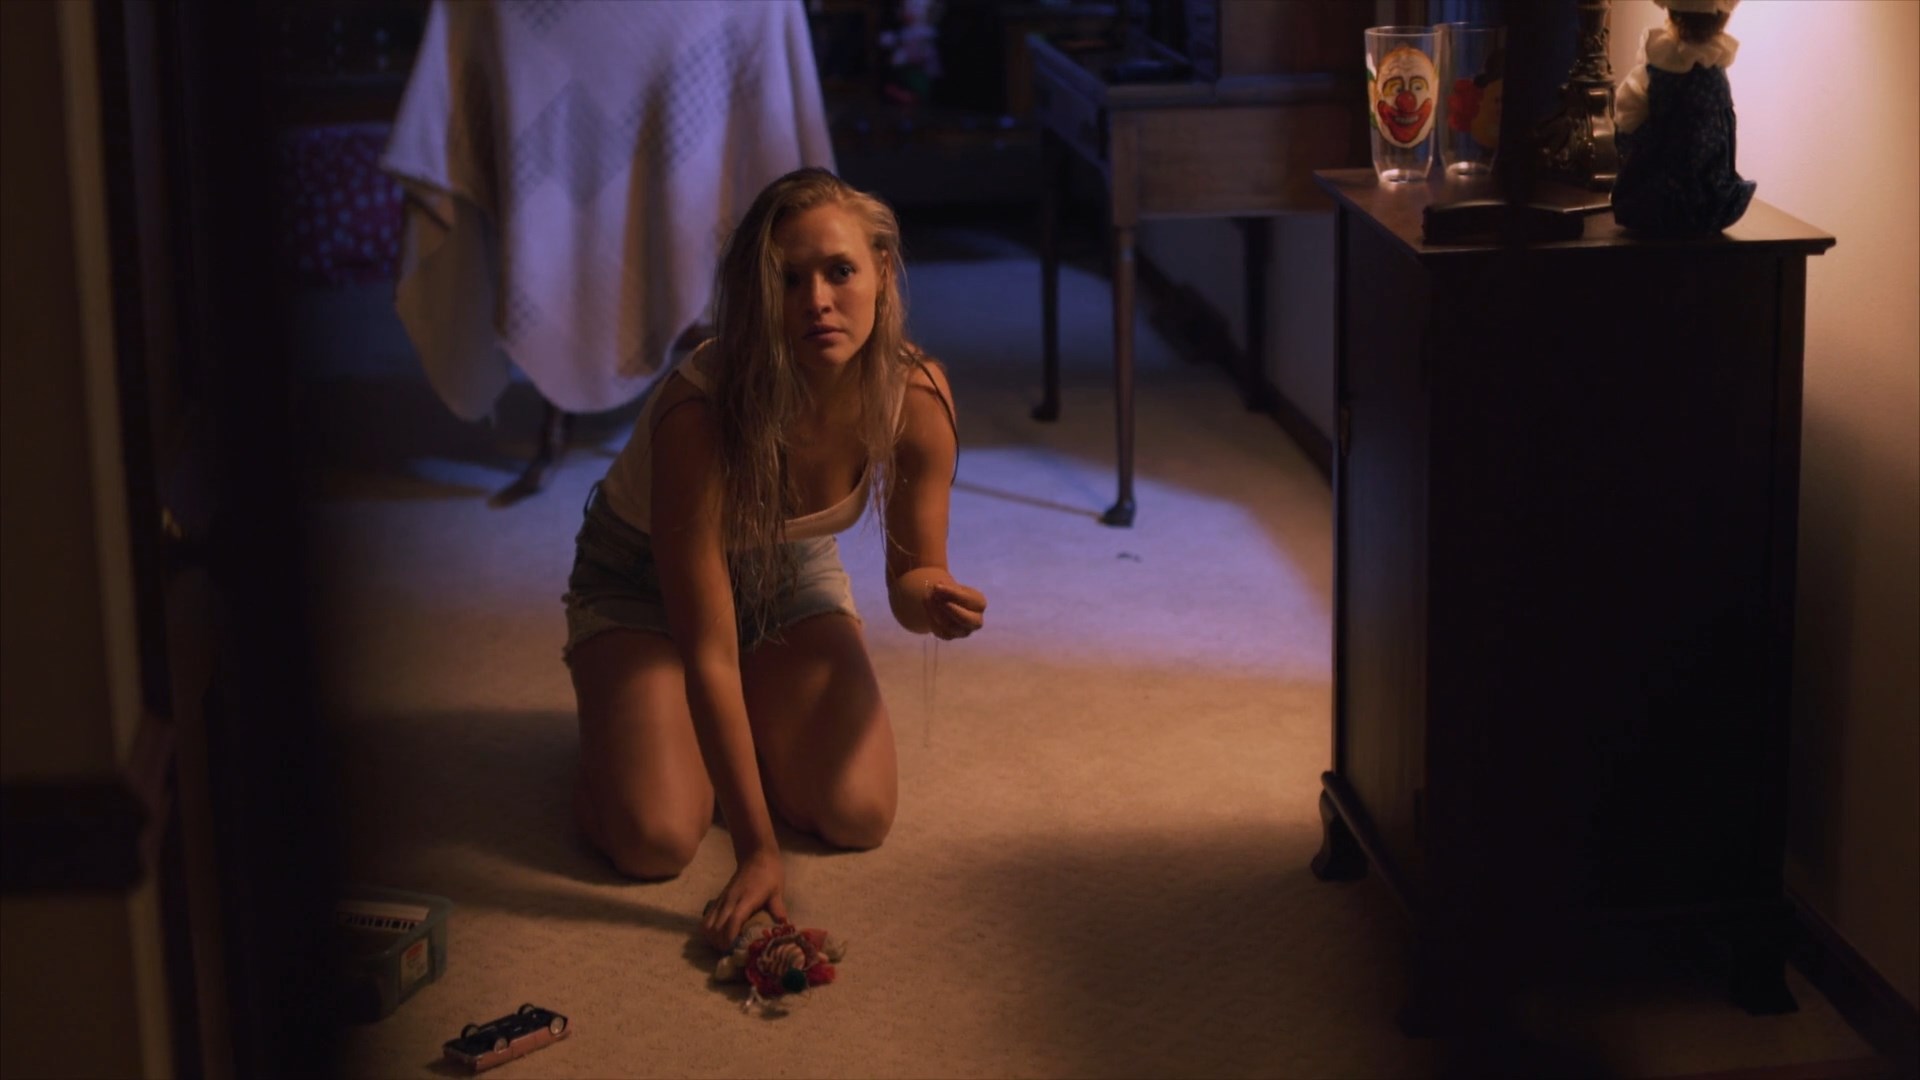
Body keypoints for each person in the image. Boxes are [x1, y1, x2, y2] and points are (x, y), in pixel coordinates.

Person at [560, 168, 987, 950]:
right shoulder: (700, 412)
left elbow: (910, 576)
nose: (817, 299)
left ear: (881, 271)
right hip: (641, 586)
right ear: (759, 296)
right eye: (788, 280)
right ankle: (617, 742)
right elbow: (710, 650)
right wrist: (758, 852)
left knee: (859, 814)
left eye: (839, 271)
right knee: (657, 840)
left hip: (787, 573)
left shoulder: (918, 395)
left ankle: (731, 730)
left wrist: (933, 598)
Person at [1611, 0, 1755, 235]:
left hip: (1656, 203)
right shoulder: (1716, 70)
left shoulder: (1657, 71)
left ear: (1672, 13)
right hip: (1713, 204)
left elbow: (1626, 122)